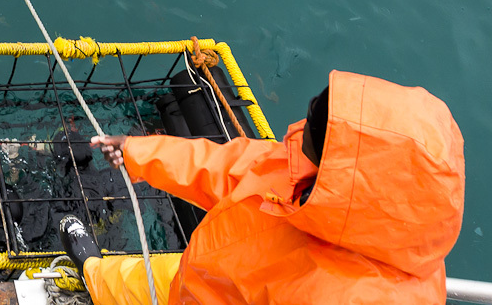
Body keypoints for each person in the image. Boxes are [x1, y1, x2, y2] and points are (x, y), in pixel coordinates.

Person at [58, 70, 465, 304]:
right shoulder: (308, 171)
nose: (302, 127)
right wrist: (137, 152)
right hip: (200, 279)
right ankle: (93, 270)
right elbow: (226, 165)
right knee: (125, 278)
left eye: (315, 134)